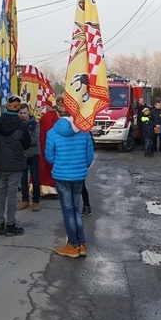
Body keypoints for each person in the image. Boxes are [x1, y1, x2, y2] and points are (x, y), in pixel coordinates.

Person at [44, 111, 95, 259]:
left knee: (67, 210)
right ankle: (81, 244)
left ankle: (72, 245)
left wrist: (61, 164)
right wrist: (81, 167)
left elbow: (49, 157)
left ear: (59, 114)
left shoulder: (52, 133)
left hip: (61, 176)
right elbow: (90, 155)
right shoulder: (84, 131)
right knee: (76, 208)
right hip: (78, 176)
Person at [0, 95, 31, 236]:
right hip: (15, 163)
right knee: (12, 194)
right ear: (18, 109)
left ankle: (0, 222)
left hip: (0, 162)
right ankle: (10, 224)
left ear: (6, 106)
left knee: (1, 193)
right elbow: (26, 144)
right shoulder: (21, 125)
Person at [18, 103, 41, 212]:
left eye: (25, 113)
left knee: (35, 178)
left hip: (33, 154)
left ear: (29, 112)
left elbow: (35, 140)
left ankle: (36, 201)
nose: (23, 115)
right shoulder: (18, 124)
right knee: (23, 179)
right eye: (21, 113)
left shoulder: (35, 124)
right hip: (22, 155)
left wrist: (24, 140)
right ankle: (25, 200)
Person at [38, 96, 60, 197]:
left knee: (45, 168)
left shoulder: (44, 118)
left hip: (45, 146)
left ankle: (47, 190)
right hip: (58, 148)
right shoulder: (60, 117)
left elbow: (41, 134)